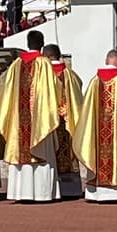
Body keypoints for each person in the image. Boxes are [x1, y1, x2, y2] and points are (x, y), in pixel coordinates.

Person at [0, 30, 63, 203]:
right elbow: (54, 89)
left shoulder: (16, 64)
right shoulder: (44, 64)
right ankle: (42, 193)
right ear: (41, 44)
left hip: (19, 121)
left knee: (20, 151)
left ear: (27, 43)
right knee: (42, 152)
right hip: (40, 120)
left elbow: (7, 91)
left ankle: (20, 193)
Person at [74, 50, 117, 202]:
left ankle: (96, 193)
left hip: (98, 135)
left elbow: (87, 109)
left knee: (99, 152)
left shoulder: (95, 82)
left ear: (107, 60)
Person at [47, 45, 83, 199]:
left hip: (50, 121)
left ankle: (52, 189)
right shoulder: (71, 74)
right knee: (68, 154)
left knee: (52, 152)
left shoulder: (44, 75)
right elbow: (78, 91)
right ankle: (71, 190)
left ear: (48, 57)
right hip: (68, 121)